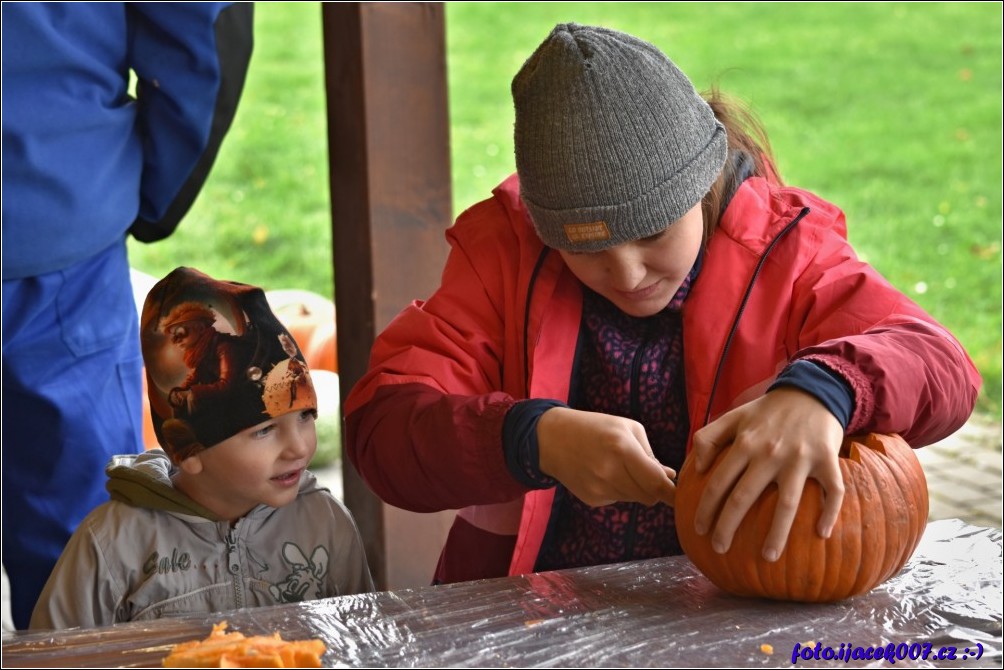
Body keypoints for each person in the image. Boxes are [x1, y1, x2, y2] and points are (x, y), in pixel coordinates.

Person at [343, 23, 981, 583]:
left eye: (653, 232)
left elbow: (942, 364)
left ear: (700, 186)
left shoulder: (786, 251)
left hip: (743, 609)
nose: (625, 272)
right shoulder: (502, 253)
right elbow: (384, 431)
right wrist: (530, 439)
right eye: (582, 248)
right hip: (529, 615)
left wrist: (825, 391)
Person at [1, 3, 253, 629]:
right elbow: (202, 20)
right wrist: (144, 195)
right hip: (52, 216)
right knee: (82, 561)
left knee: (86, 557)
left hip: (56, 234)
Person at [30, 267, 374, 630]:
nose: (299, 446)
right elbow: (53, 653)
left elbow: (364, 639)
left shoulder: (324, 521)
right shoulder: (114, 543)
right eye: (265, 430)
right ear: (189, 452)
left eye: (305, 415)